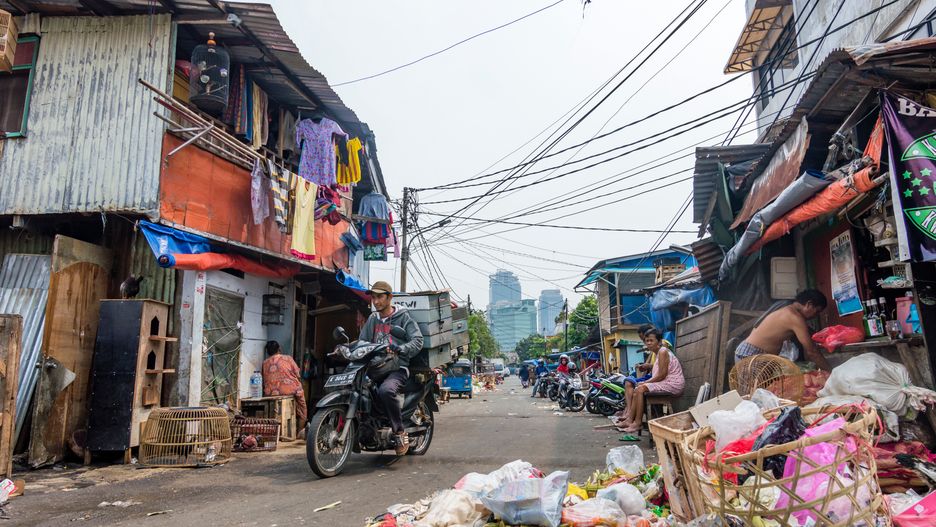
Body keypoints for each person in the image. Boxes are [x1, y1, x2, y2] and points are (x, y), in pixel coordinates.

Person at [359, 281, 424, 455]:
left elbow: (418, 340)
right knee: (356, 388)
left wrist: (402, 348)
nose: (376, 301)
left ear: (390, 297)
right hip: (375, 367)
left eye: (380, 297)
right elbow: (362, 341)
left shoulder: (403, 317)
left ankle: (399, 431)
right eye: (373, 297)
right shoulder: (373, 319)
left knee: (386, 391)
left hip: (397, 368)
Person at [735, 289, 831, 371]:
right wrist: (831, 371)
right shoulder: (795, 317)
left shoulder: (787, 309)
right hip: (751, 355)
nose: (815, 316)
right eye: (817, 311)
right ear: (809, 304)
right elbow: (812, 352)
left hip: (752, 354)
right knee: (755, 391)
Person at [618, 328, 685, 433]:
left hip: (674, 384)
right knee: (638, 389)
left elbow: (662, 375)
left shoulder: (663, 352)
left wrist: (646, 382)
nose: (648, 343)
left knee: (640, 388)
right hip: (667, 382)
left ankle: (637, 423)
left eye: (651, 340)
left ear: (658, 341)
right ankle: (630, 420)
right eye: (647, 341)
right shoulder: (658, 353)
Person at [262, 340, 307, 432]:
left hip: (270, 393)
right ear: (279, 349)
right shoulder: (288, 358)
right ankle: (299, 431)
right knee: (302, 407)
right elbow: (298, 374)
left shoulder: (264, 363)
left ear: (267, 352)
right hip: (290, 390)